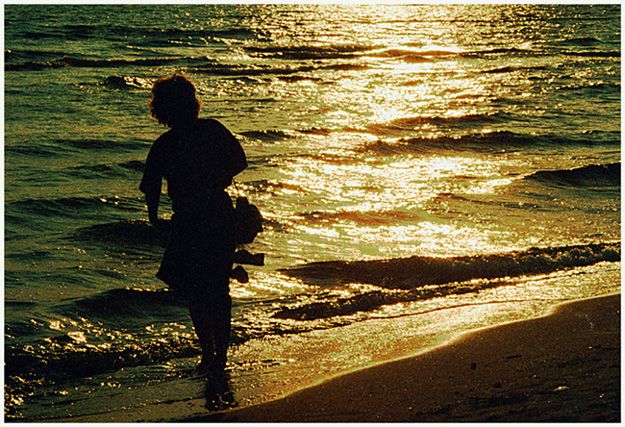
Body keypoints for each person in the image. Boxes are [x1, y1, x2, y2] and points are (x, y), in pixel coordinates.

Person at [140, 73, 247, 377]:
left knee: (198, 291)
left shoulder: (164, 144)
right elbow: (239, 160)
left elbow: (150, 187)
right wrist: (216, 178)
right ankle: (218, 354)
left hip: (191, 219)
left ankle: (210, 353)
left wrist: (153, 219)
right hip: (215, 214)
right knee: (215, 288)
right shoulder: (210, 130)